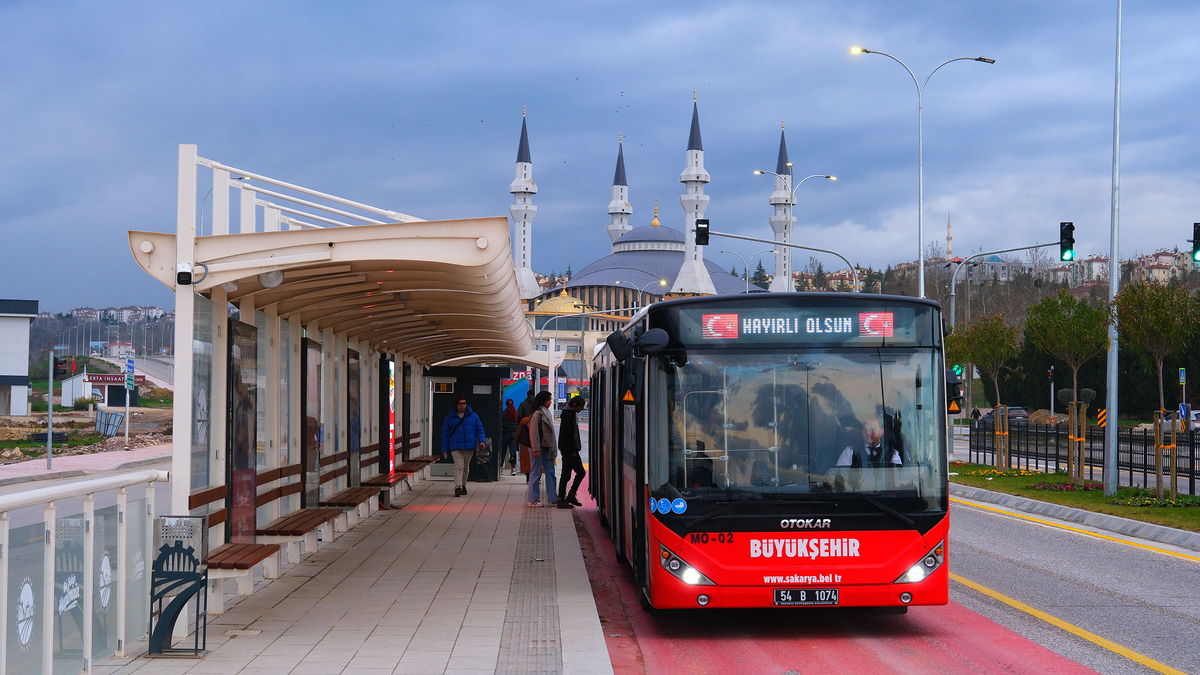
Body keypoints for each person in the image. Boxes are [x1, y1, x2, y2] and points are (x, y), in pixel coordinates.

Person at [441, 395, 487, 497]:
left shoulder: (473, 416)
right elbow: (445, 434)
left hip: (469, 446)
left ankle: (463, 485)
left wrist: (482, 441)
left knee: (466, 467)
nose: (462, 406)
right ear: (456, 405)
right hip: (455, 446)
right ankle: (458, 487)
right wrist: (444, 449)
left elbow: (480, 430)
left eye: (464, 403)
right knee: (459, 466)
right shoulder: (449, 418)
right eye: (460, 404)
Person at [527, 390, 557, 507]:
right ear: (543, 400)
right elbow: (533, 433)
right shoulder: (537, 414)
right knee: (536, 473)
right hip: (538, 447)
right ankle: (533, 499)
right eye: (549, 400)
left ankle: (552, 498)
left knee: (550, 472)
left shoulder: (546, 412)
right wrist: (536, 449)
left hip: (547, 447)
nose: (550, 402)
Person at [556, 396, 587, 508]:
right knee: (569, 474)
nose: (581, 409)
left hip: (569, 449)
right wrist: (573, 450)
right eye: (580, 407)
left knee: (570, 474)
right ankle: (563, 498)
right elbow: (567, 435)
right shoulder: (569, 416)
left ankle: (569, 495)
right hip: (569, 451)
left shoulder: (569, 414)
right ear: (575, 405)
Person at [836, 419, 901, 468]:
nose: (868, 433)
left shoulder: (892, 454)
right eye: (865, 429)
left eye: (872, 429)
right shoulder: (850, 452)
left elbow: (899, 477)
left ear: (881, 432)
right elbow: (840, 476)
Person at [502, 398, 519, 475]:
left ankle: (500, 467)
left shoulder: (503, 413)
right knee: (512, 451)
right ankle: (513, 468)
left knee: (503, 451)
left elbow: (502, 423)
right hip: (514, 434)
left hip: (506, 433)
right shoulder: (516, 413)